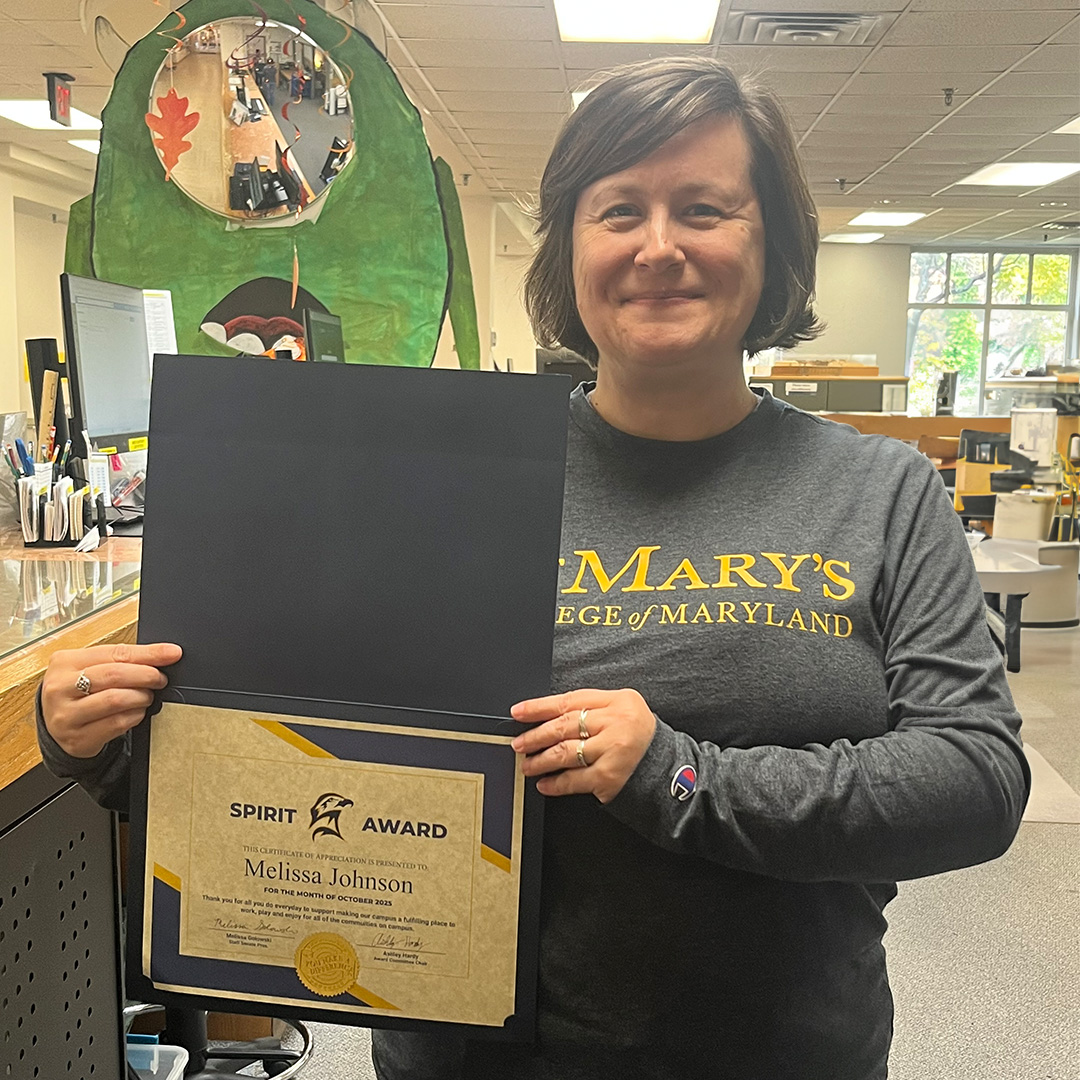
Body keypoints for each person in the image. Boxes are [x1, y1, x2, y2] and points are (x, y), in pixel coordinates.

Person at [37, 57, 1029, 1079]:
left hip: (780, 1053)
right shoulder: (444, 475)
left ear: (772, 243)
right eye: (618, 210)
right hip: (472, 1056)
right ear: (569, 249)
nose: (658, 246)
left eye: (704, 208)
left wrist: (677, 773)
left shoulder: (880, 490)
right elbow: (327, 746)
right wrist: (103, 744)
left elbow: (978, 780)